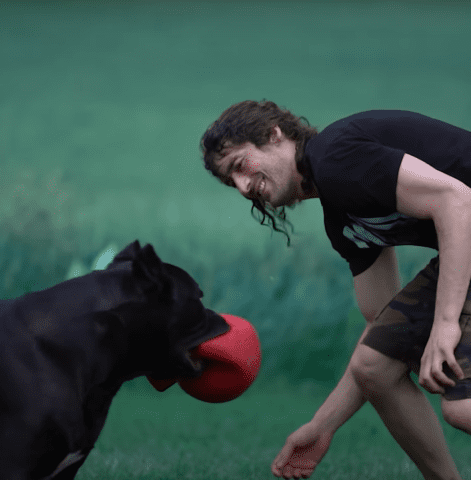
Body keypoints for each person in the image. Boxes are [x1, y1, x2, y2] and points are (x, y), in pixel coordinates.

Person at [199, 100, 471, 480]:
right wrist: (322, 425)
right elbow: (380, 319)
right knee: (374, 366)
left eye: (240, 165)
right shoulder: (342, 218)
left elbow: (457, 200)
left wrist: (445, 324)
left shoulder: (336, 157)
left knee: (462, 407)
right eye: (232, 182)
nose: (244, 187)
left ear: (274, 135)